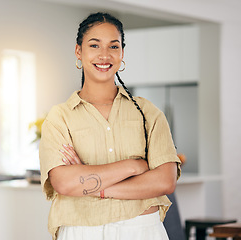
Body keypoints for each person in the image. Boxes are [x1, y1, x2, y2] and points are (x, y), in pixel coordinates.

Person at [39, 12, 181, 240]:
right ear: (79, 51)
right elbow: (64, 183)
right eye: (94, 45)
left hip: (142, 230)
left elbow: (165, 180)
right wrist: (134, 166)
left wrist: (93, 185)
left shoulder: (148, 113)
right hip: (81, 232)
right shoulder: (60, 117)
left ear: (122, 53)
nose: (104, 55)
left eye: (113, 47)